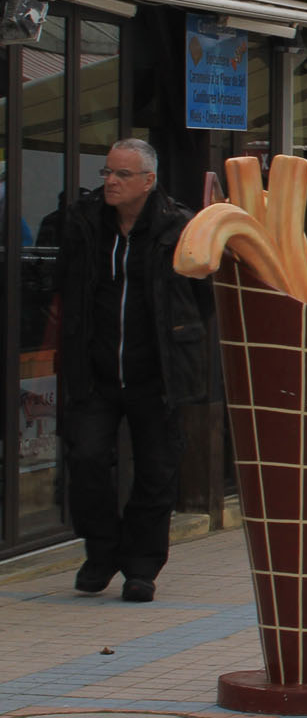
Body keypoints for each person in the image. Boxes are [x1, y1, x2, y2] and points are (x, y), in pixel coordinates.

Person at [59, 140, 212, 600]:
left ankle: (141, 567)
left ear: (148, 181)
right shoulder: (84, 222)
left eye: (122, 175)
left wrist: (180, 342)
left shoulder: (177, 226)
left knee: (156, 471)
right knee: (85, 460)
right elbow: (68, 285)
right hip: (96, 371)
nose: (110, 181)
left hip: (156, 372)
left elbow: (201, 299)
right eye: (107, 172)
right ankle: (101, 552)